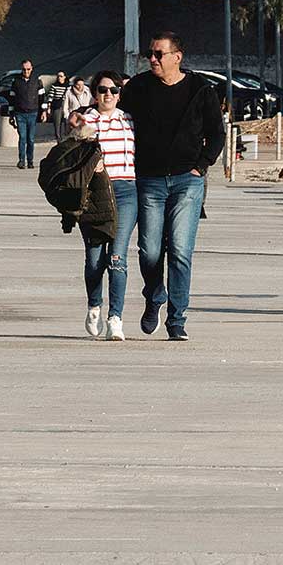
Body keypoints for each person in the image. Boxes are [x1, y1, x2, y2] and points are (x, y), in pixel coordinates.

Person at [117, 31, 224, 340]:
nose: (152, 58)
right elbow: (115, 116)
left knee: (180, 251)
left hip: (187, 182)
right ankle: (154, 295)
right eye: (150, 53)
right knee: (149, 251)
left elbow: (217, 134)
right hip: (148, 180)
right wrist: (82, 116)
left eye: (158, 54)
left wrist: (200, 166)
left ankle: (177, 320)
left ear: (177, 57)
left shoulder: (200, 90)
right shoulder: (138, 87)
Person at [72, 71, 138, 340]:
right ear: (94, 93)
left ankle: (116, 318)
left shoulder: (130, 120)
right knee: (95, 259)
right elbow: (73, 156)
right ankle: (94, 304)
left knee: (117, 256)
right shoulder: (87, 121)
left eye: (114, 90)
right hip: (96, 193)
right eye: (102, 90)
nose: (108, 95)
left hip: (127, 192)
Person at [5, 59, 42, 168]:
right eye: (24, 69)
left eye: (28, 69)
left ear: (32, 69)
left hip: (33, 113)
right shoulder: (16, 81)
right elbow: (11, 98)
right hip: (19, 113)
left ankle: (30, 160)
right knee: (22, 138)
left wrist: (43, 112)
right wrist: (11, 114)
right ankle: (21, 160)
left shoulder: (37, 81)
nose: (26, 71)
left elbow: (41, 97)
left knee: (30, 138)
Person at [59, 74, 92, 138]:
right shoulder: (69, 92)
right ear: (74, 85)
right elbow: (65, 106)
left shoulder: (87, 91)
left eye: (82, 85)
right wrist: (67, 117)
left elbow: (91, 103)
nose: (80, 87)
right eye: (78, 85)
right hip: (73, 118)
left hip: (84, 118)